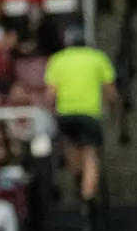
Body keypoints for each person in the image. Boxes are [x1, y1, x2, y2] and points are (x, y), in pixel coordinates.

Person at [43, 24, 119, 216]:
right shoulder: (98, 58)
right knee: (90, 154)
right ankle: (88, 198)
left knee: (71, 146)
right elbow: (110, 91)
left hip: (66, 114)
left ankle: (79, 178)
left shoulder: (57, 60)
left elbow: (50, 95)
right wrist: (115, 109)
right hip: (89, 114)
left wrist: (49, 114)